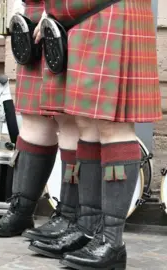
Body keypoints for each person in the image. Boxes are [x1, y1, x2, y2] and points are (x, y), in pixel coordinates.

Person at [24, 0, 160, 269]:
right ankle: (87, 229)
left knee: (113, 123)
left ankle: (112, 241)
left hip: (111, 9)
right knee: (85, 121)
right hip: (77, 17)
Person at [0, 0, 81, 241]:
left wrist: (57, 8)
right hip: (33, 17)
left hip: (67, 16)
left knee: (66, 118)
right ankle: (21, 211)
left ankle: (69, 215)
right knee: (33, 118)